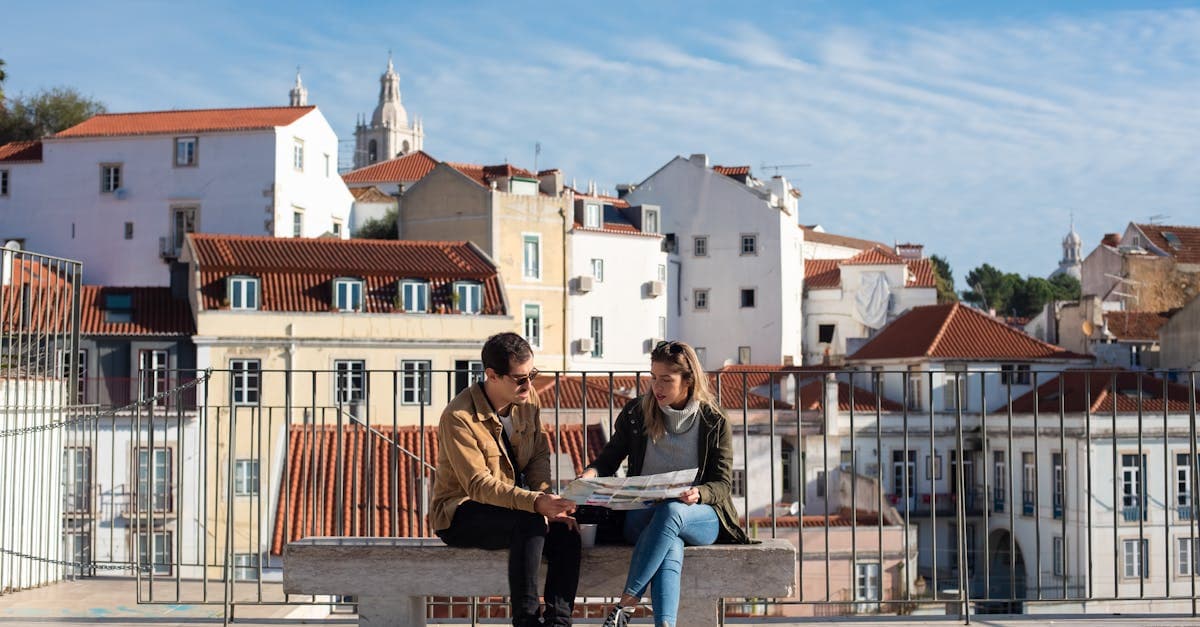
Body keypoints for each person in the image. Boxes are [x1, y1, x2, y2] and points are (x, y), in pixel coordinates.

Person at [581, 340, 750, 627]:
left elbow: (722, 484)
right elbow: (608, 460)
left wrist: (699, 493)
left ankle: (626, 604)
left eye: (666, 380)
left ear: (688, 380)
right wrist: (589, 475)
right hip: (643, 515)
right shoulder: (637, 413)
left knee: (672, 512)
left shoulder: (714, 421)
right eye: (653, 378)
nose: (656, 387)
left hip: (697, 516)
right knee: (670, 540)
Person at [431, 332, 581, 627]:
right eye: (520, 378)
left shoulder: (528, 399)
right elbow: (478, 485)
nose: (529, 385)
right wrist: (536, 503)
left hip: (513, 507)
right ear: (492, 375)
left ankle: (559, 622)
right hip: (459, 512)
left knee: (567, 531)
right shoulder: (458, 417)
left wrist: (547, 501)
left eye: (532, 375)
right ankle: (526, 621)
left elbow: (538, 454)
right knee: (530, 522)